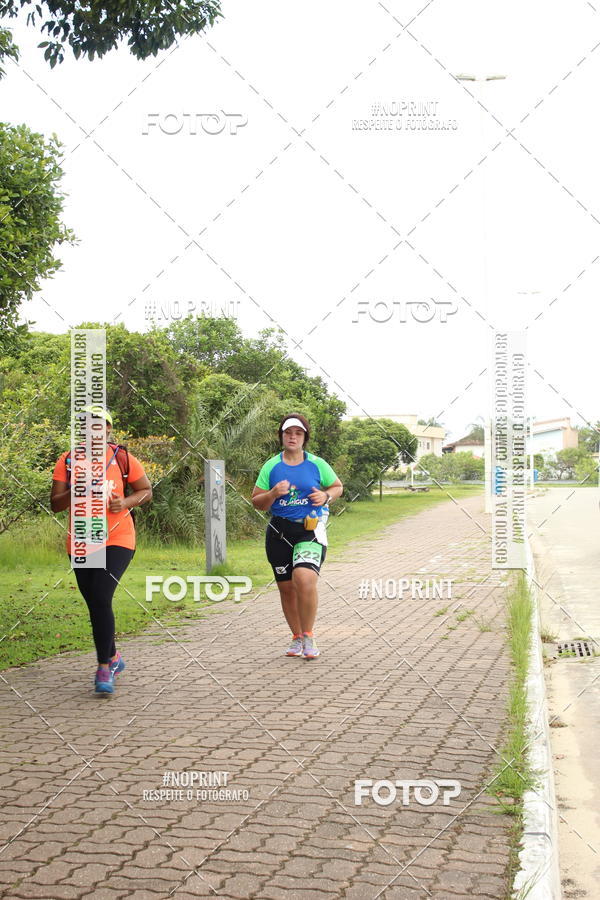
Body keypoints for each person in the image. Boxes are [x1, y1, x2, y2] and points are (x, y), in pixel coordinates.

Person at [50, 406, 152, 694]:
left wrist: (125, 503)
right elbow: (55, 504)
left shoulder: (122, 458)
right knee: (95, 602)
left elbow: (146, 491)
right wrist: (76, 489)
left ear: (108, 430)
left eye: (99, 425)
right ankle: (114, 656)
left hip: (118, 537)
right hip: (82, 540)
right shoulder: (68, 460)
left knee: (101, 595)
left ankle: (103, 667)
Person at [251, 414, 343, 660]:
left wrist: (326, 496)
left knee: (304, 578)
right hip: (279, 533)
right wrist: (273, 493)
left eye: (298, 433)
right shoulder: (271, 466)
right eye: (288, 433)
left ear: (305, 438)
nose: (292, 437)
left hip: (309, 530)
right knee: (287, 588)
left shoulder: (317, 464)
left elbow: (337, 486)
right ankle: (297, 636)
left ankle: (309, 636)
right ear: (281, 436)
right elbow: (257, 502)